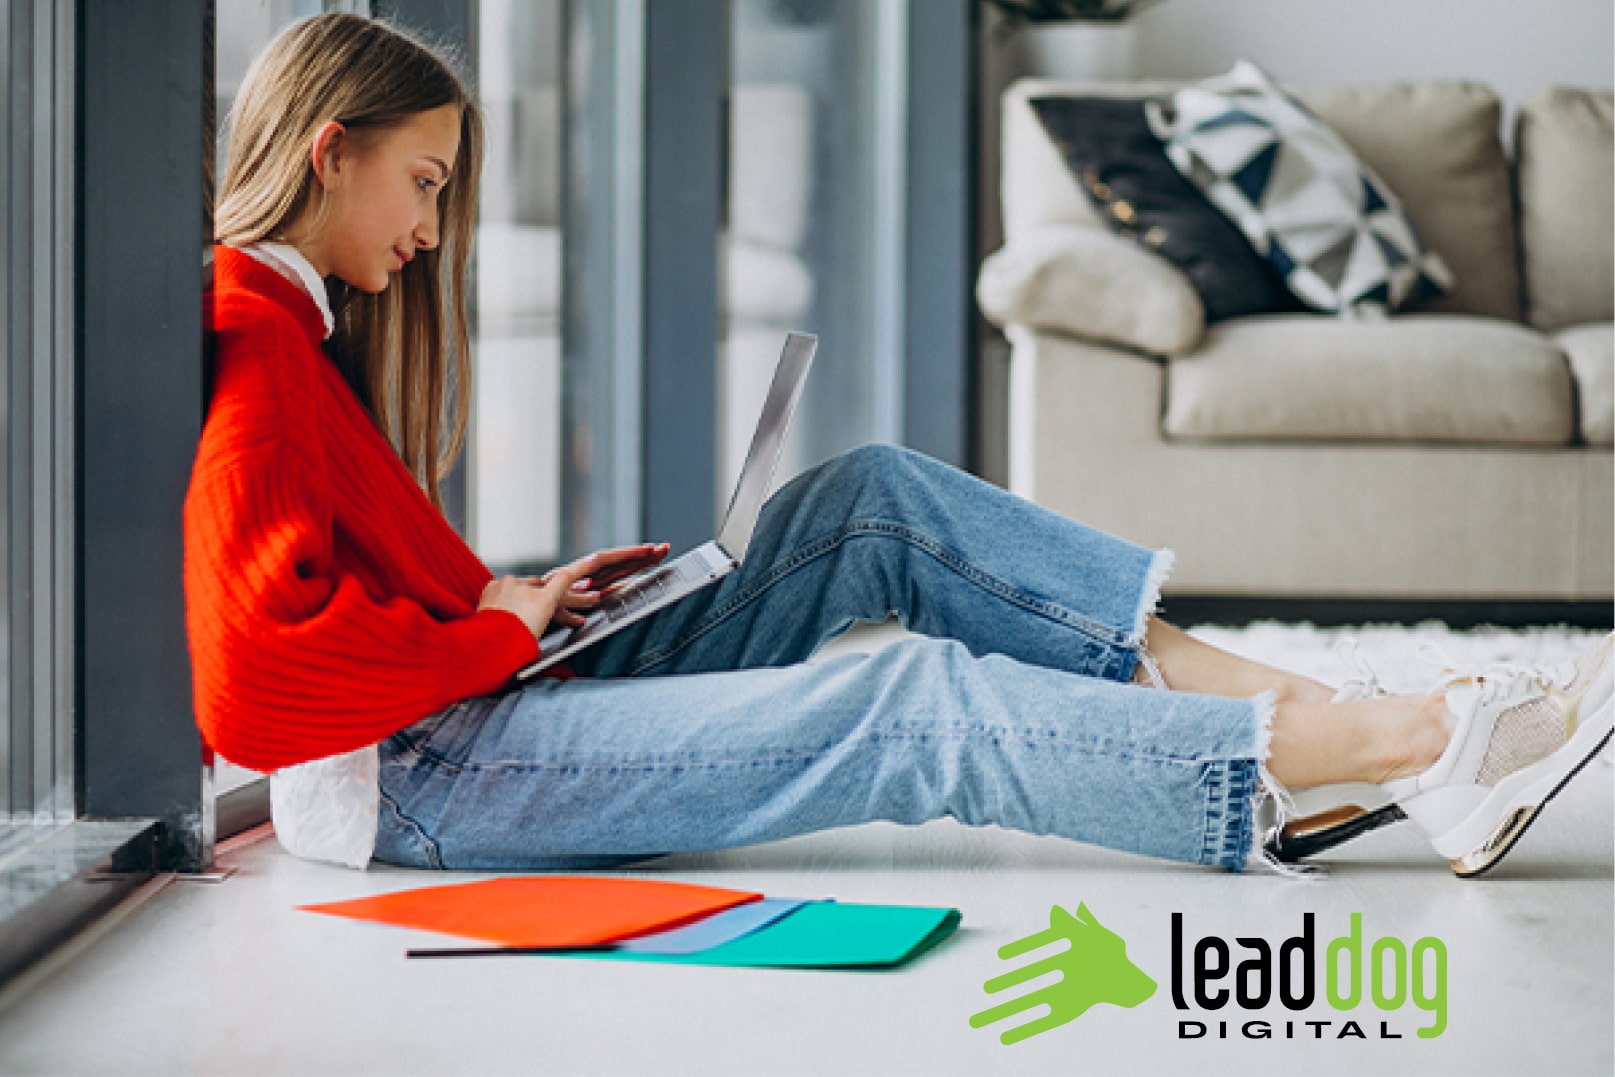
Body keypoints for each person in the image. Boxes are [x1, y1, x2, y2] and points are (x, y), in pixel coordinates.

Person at [188, 12, 1613, 880]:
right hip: (421, 777)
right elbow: (253, 683)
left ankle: (1313, 708)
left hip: (466, 705)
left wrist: (511, 604)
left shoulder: (300, 332)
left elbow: (354, 593)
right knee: (910, 706)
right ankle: (1383, 745)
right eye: (423, 184)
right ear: (330, 150)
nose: (431, 229)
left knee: (872, 497)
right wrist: (491, 636)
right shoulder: (261, 344)